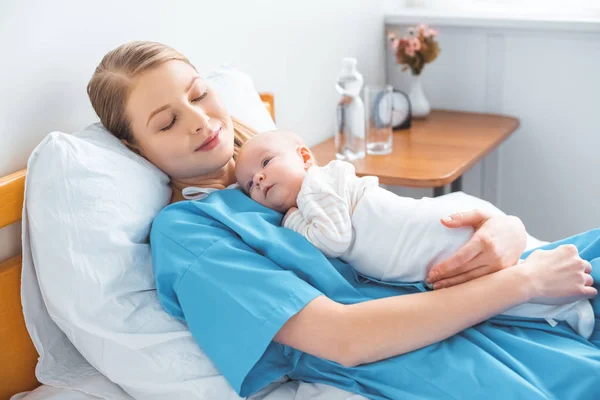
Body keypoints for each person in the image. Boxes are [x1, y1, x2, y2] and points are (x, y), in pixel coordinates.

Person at [87, 41, 600, 400]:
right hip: (432, 346)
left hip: (497, 286)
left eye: (198, 94)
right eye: (167, 122)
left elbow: (396, 223)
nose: (199, 120)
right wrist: (522, 281)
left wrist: (500, 224)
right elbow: (343, 339)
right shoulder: (188, 233)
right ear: (136, 147)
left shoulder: (276, 167)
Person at [235, 129, 595, 338]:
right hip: (421, 239)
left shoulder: (316, 188)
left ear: (304, 157)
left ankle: (570, 307)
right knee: (492, 281)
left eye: (266, 163)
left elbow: (333, 239)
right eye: (251, 184)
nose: (260, 179)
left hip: (423, 236)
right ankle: (569, 306)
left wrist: (292, 221)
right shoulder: (314, 190)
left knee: (495, 279)